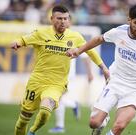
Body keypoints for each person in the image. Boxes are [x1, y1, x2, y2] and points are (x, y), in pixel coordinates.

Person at [66, 5, 136, 135]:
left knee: (119, 126)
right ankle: (102, 122)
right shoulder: (119, 32)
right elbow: (99, 39)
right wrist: (78, 50)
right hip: (114, 83)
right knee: (94, 123)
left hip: (133, 90)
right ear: (129, 20)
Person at [11, 5, 109, 135]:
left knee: (45, 111)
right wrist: (17, 43)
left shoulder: (75, 36)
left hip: (57, 84)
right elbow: (24, 39)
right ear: (52, 19)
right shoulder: (41, 33)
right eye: (59, 18)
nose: (63, 21)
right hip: (37, 81)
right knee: (23, 119)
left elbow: (90, 51)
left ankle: (32, 131)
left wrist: (103, 68)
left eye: (65, 18)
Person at [48, 54, 93, 133]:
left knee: (57, 97)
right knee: (55, 98)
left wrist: (89, 73)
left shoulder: (76, 41)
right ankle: (74, 104)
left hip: (67, 74)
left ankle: (60, 126)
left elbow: (85, 56)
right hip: (56, 73)